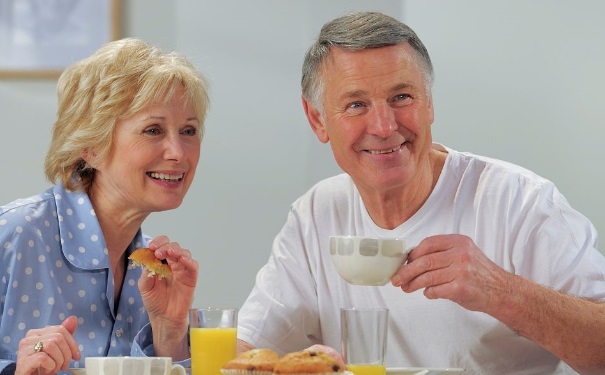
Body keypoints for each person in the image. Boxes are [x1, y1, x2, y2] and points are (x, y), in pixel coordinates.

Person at [235, 11, 605, 375]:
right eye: (356, 105)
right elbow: (248, 351)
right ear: (317, 119)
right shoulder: (316, 213)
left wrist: (501, 292)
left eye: (401, 97)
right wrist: (174, 332)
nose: (383, 126)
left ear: (429, 103)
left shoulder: (520, 201)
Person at [0, 38, 209, 374]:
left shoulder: (153, 273)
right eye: (153, 130)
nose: (179, 153)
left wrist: (169, 333)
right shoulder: (15, 234)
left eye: (189, 130)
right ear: (91, 146)